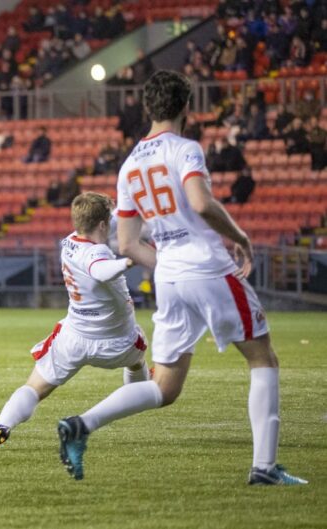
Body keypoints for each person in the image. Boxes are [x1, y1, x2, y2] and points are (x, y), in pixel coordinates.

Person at [56, 71, 307, 486]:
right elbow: (199, 202)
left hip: (168, 276)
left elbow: (127, 243)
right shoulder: (185, 149)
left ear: (147, 108)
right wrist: (239, 237)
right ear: (185, 108)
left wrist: (169, 264)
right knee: (263, 357)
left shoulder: (129, 165)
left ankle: (81, 424)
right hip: (207, 266)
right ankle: (264, 468)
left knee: (165, 387)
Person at [0, 192, 150, 452]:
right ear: (102, 225)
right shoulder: (98, 253)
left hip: (72, 338)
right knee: (138, 359)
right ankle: (135, 402)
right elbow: (100, 269)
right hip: (115, 343)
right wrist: (129, 260)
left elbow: (113, 223)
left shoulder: (69, 242)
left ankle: (2, 426)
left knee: (35, 387)